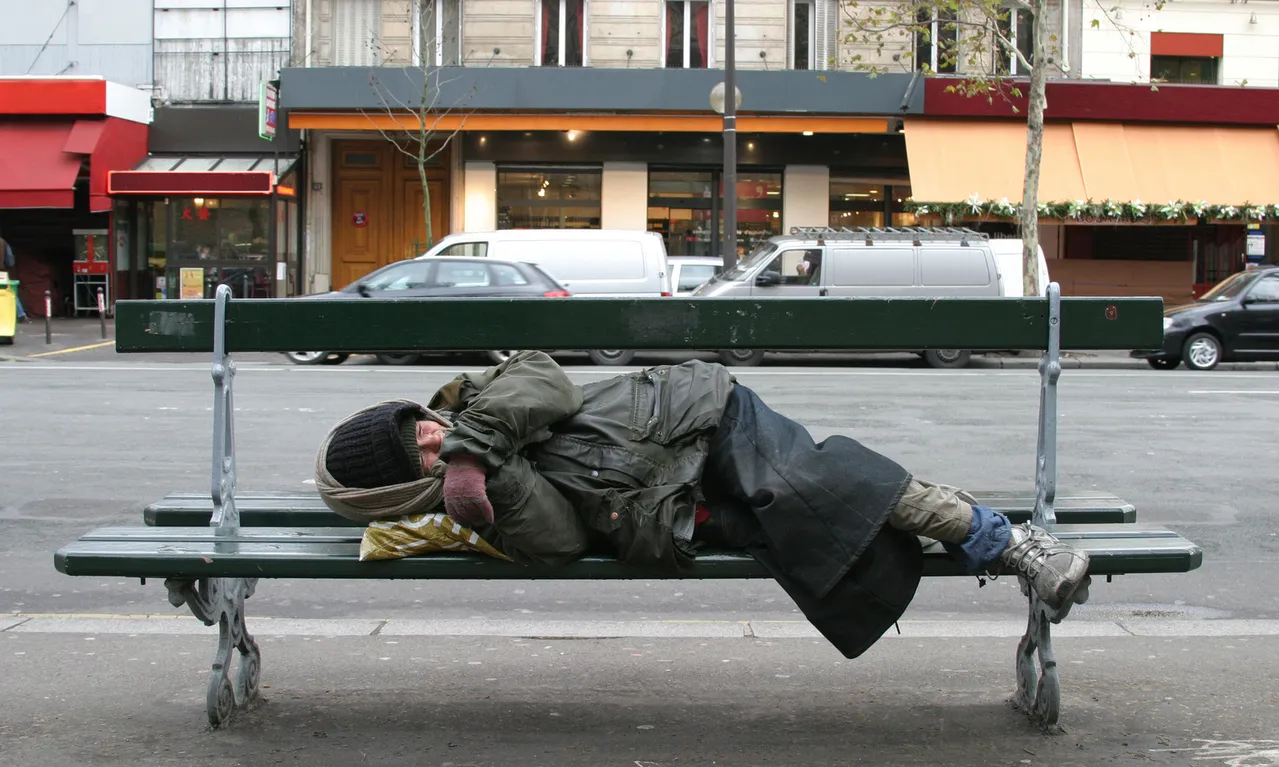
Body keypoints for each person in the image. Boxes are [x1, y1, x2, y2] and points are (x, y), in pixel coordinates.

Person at [315, 351, 1090, 659]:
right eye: (418, 449)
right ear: (402, 487)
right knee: (811, 532)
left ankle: (1013, 546)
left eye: (420, 421)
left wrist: (470, 445)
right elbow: (552, 542)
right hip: (668, 509)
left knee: (816, 484)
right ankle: (1005, 546)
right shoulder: (461, 510)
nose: (433, 433)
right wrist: (489, 482)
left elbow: (547, 381)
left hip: (696, 418)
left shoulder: (476, 402)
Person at [0, 230, 27, 323]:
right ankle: (21, 314)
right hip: (1, 272)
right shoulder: (3, 243)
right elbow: (10, 261)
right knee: (9, 292)